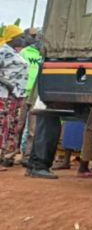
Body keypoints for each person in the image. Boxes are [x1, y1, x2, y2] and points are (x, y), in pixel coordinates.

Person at [0, 24, 29, 171]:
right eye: (20, 37)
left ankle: (7, 156)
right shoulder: (3, 52)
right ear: (12, 38)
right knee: (3, 125)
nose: (23, 39)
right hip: (5, 96)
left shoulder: (15, 53)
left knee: (13, 125)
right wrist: (9, 85)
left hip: (18, 96)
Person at [18, 28, 42, 164]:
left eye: (36, 36)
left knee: (33, 129)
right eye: (32, 36)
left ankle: (26, 157)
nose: (34, 39)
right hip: (22, 94)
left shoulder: (42, 55)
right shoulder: (23, 53)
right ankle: (8, 154)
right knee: (18, 125)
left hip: (36, 94)